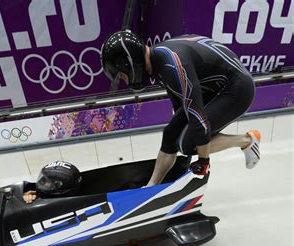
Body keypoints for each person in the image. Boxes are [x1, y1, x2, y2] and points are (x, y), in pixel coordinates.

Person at [101, 31, 261, 185]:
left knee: (188, 144)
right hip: (214, 88)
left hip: (237, 89)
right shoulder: (158, 61)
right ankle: (152, 186)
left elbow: (197, 115)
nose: (125, 80)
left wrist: (204, 160)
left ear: (130, 64)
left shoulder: (171, 65)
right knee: (171, 133)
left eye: (122, 75)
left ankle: (247, 140)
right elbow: (180, 104)